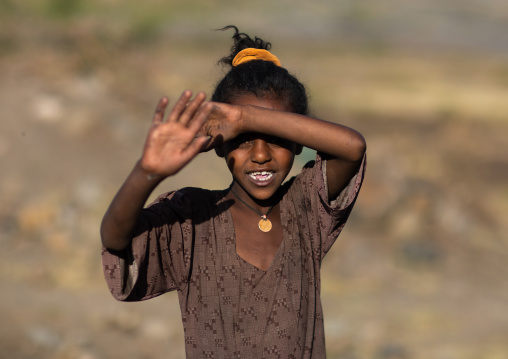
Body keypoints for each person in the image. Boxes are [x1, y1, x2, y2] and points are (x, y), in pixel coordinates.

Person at [101, 25, 366, 358]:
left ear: (300, 141)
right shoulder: (192, 217)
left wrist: (243, 118)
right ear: (218, 145)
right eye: (242, 138)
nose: (259, 154)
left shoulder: (306, 207)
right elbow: (115, 240)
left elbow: (352, 147)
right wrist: (147, 172)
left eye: (275, 136)